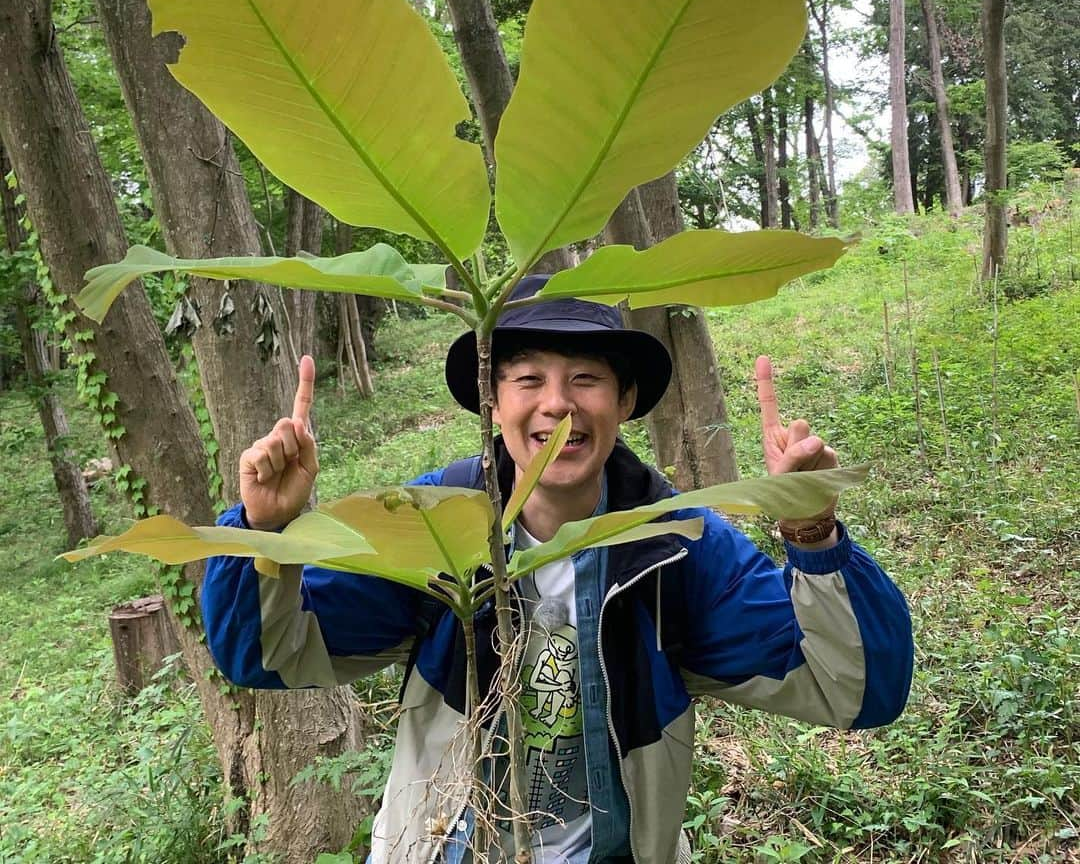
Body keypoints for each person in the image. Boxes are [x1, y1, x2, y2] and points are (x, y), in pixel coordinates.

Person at [202, 275, 913, 864]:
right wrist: (267, 532)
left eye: (586, 379)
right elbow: (267, 654)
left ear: (625, 401)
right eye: (528, 378)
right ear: (494, 400)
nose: (556, 403)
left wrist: (811, 528)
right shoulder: (433, 529)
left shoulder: (675, 547)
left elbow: (857, 691)